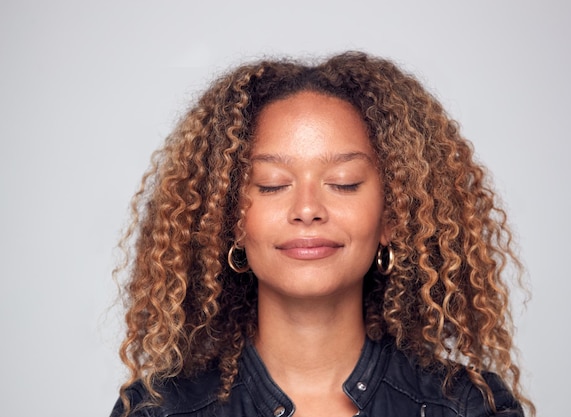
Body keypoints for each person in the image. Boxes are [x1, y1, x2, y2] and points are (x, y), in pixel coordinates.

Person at [110, 51, 534, 417]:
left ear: (393, 216)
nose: (308, 209)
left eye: (344, 182)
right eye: (272, 184)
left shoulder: (466, 408)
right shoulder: (160, 410)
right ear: (230, 222)